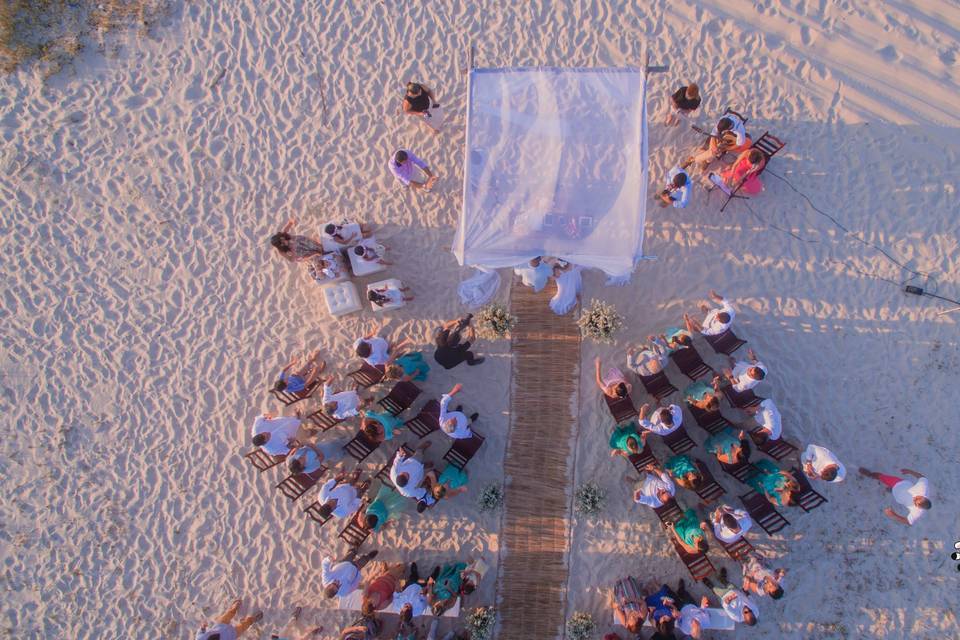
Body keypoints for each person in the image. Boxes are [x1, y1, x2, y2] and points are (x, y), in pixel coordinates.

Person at [858, 467, 932, 526]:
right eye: (918, 497)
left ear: (919, 507)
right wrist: (910, 471)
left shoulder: (918, 512)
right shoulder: (923, 487)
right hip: (899, 483)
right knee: (882, 477)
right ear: (924, 497)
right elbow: (922, 477)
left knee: (893, 491)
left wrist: (893, 515)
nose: (914, 498)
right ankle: (870, 474)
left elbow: (908, 522)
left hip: (898, 496)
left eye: (915, 503)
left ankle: (891, 489)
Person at [685, 113, 750, 172]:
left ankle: (694, 160)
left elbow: (738, 145)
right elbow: (714, 133)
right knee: (712, 152)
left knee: (712, 153)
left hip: (732, 141)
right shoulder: (722, 120)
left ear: (729, 127)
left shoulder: (740, 132)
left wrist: (726, 149)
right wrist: (713, 145)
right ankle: (704, 161)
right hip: (724, 136)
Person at [195, 598, 263, 640]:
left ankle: (234, 607)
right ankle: (251, 620)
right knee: (243, 626)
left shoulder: (199, 638)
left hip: (219, 625)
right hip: (231, 635)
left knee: (229, 613)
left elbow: (200, 632)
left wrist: (203, 627)